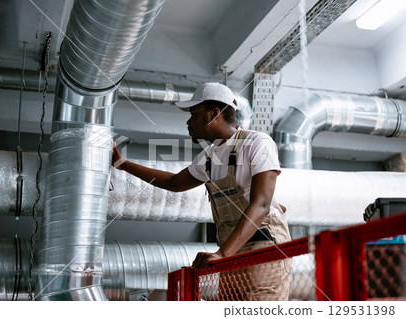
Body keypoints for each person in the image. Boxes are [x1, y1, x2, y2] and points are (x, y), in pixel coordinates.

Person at [111, 82, 291, 300]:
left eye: (194, 114)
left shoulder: (256, 143)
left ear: (214, 114)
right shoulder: (208, 157)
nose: (188, 121)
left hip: (263, 248)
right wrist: (122, 164)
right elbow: (174, 182)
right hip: (230, 252)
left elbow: (261, 204)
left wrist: (224, 253)